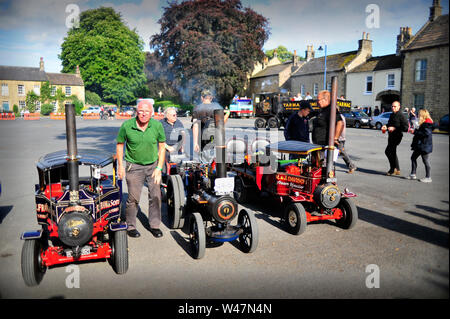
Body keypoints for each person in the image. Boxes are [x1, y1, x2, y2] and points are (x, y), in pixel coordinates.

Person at [116, 99, 166, 238]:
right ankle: (131, 226)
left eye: (147, 111)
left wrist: (159, 168)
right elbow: (120, 145)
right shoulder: (127, 125)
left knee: (155, 196)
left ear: (152, 113)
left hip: (153, 166)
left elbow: (162, 147)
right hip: (134, 166)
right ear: (136, 112)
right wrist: (121, 166)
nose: (143, 114)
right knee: (133, 198)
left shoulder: (157, 125)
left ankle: (155, 225)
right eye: (141, 111)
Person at [382, 101, 409, 176]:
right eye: (392, 106)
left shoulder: (401, 115)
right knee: (392, 152)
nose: (393, 108)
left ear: (399, 107)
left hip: (397, 136)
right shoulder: (392, 115)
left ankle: (392, 169)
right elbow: (389, 124)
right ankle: (397, 169)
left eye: (395, 106)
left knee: (388, 151)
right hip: (391, 135)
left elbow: (406, 128)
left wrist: (394, 128)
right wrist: (386, 126)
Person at [408, 109, 435, 183]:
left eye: (419, 114)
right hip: (420, 145)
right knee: (413, 158)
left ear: (422, 115)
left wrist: (414, 132)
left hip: (424, 145)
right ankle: (413, 174)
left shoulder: (427, 123)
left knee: (425, 160)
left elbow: (425, 134)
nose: (418, 115)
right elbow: (422, 132)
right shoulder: (424, 123)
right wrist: (415, 131)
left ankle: (428, 177)